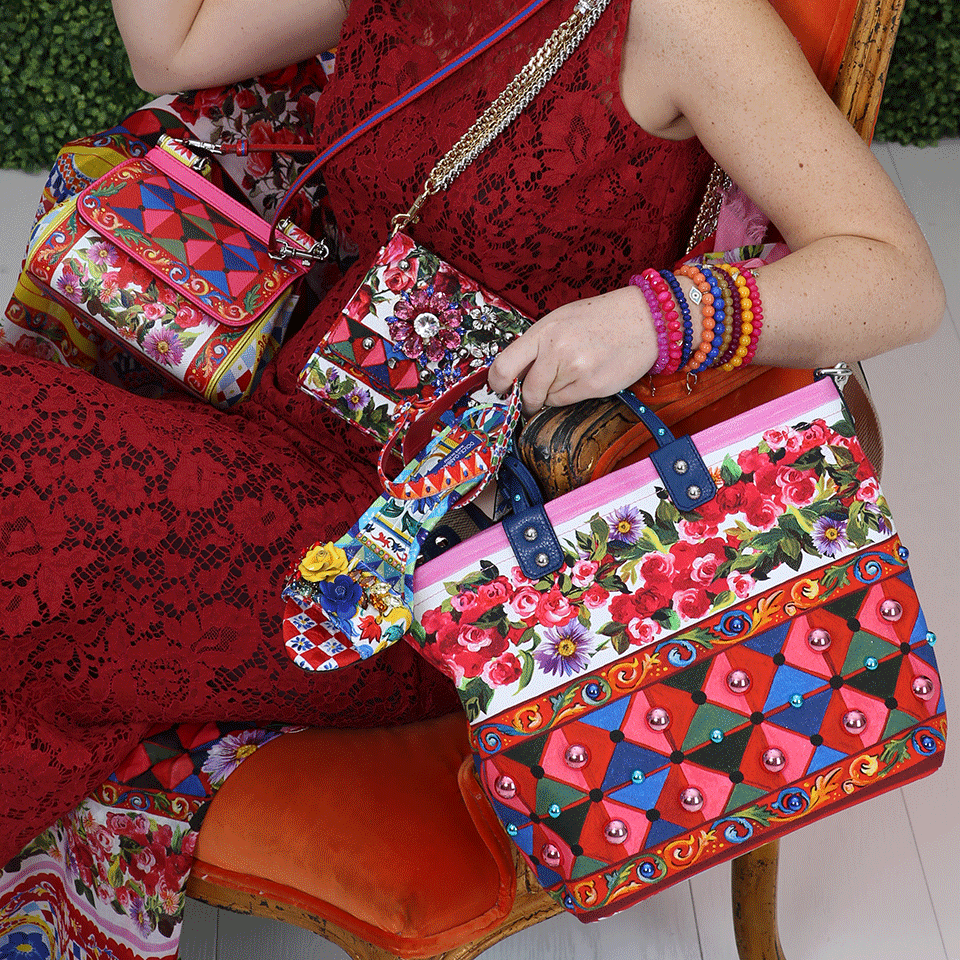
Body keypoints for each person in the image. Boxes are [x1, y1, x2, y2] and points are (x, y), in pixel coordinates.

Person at [0, 0, 944, 872]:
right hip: (280, 420)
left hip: (440, 560)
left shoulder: (682, 17)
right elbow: (171, 48)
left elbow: (897, 279)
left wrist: (648, 321)